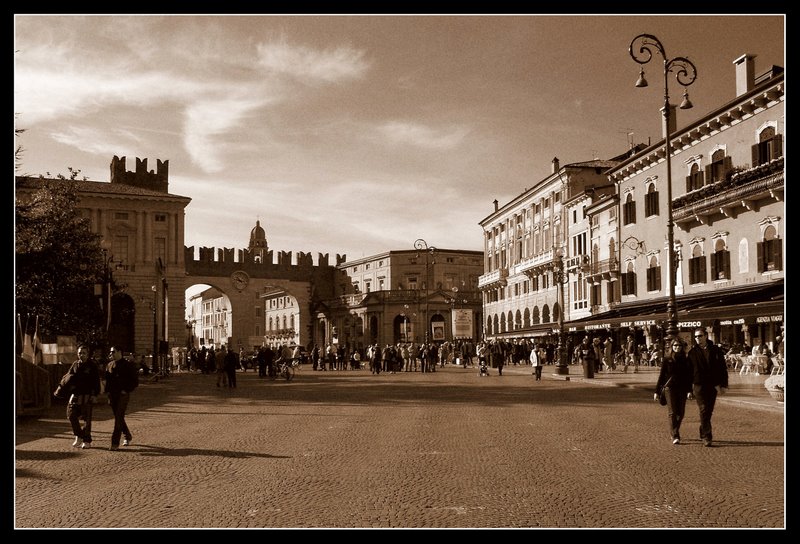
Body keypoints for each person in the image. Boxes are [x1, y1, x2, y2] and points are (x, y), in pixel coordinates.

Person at [687, 328, 728, 447]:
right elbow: (688, 373)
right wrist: (688, 390)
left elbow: (722, 368)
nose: (697, 339)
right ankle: (707, 436)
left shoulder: (715, 350)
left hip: (713, 385)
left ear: (706, 336)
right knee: (703, 409)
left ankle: (702, 430)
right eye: (696, 337)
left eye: (700, 336)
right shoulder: (692, 353)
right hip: (699, 385)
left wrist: (724, 384)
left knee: (708, 411)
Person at [654, 338, 693, 445]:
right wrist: (657, 391)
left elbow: (688, 377)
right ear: (671, 347)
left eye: (679, 346)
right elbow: (662, 376)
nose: (677, 347)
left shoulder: (686, 359)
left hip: (682, 388)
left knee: (681, 413)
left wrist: (690, 390)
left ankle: (674, 430)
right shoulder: (667, 359)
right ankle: (675, 434)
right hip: (669, 388)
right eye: (675, 346)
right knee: (672, 412)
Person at [64, 345, 101, 449]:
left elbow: (96, 381)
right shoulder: (75, 364)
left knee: (87, 419)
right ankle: (78, 435)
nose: (81, 355)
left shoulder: (92, 365)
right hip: (75, 394)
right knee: (71, 415)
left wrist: (94, 395)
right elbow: (68, 376)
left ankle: (87, 440)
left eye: (84, 353)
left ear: (87, 354)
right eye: (80, 353)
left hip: (88, 395)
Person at [105, 346, 139, 450]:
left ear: (120, 352)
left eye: (113, 352)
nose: (111, 354)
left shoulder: (128, 365)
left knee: (119, 417)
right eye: (110, 352)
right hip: (112, 395)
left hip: (122, 395)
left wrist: (126, 390)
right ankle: (127, 435)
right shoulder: (109, 365)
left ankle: (114, 443)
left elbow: (134, 381)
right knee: (119, 418)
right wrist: (107, 393)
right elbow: (108, 381)